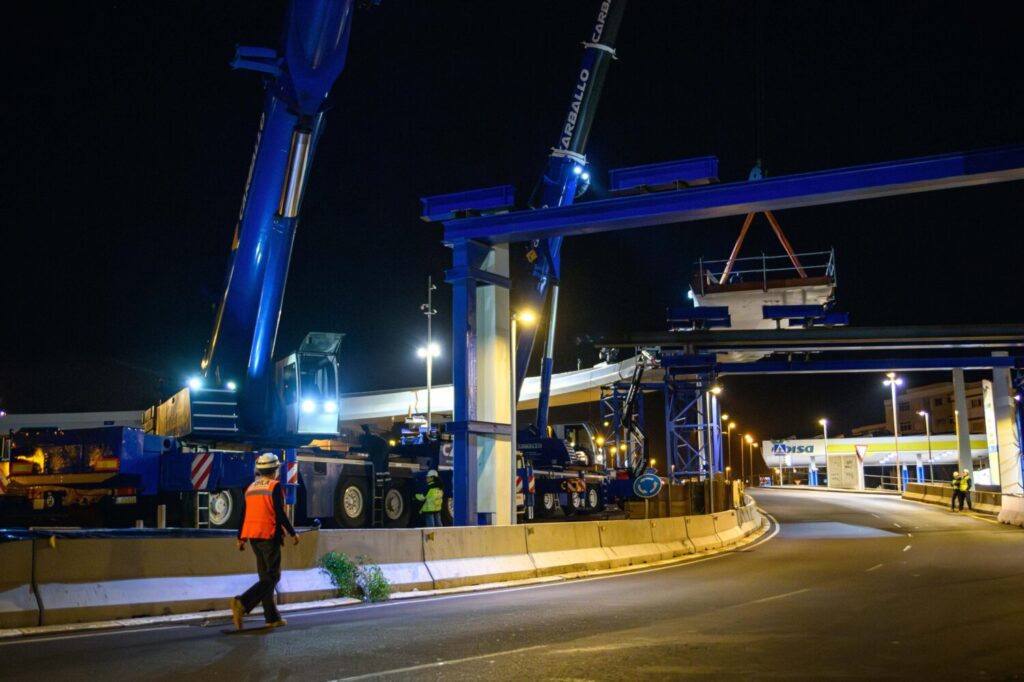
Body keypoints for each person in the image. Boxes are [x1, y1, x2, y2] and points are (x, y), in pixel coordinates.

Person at [229, 453, 299, 630]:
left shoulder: (251, 487)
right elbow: (279, 513)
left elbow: (243, 514)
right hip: (268, 535)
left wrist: (240, 537)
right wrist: (292, 533)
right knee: (273, 577)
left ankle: (271, 617)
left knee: (265, 577)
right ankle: (242, 603)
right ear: (275, 470)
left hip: (253, 537)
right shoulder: (274, 486)